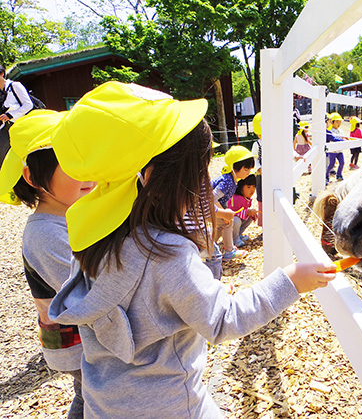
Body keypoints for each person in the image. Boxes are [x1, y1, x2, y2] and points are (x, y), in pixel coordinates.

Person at [47, 81, 336, 419]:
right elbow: (224, 320)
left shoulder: (89, 239)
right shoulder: (167, 254)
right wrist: (290, 280)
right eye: (198, 173)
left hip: (106, 405)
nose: (202, 184)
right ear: (151, 176)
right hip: (173, 407)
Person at [0, 110, 96, 419]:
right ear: (31, 176)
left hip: (90, 335)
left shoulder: (72, 215)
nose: (89, 175)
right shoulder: (43, 232)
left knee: (94, 397)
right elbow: (87, 292)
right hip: (78, 341)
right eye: (72, 165)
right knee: (93, 399)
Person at [212, 145, 255, 260]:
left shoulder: (232, 180)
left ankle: (209, 247)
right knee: (227, 223)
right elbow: (212, 197)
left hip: (211, 207)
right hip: (208, 206)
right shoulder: (228, 181)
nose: (248, 173)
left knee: (221, 226)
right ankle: (229, 251)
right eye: (246, 170)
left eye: (250, 170)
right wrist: (224, 212)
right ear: (234, 167)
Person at [0, 65, 35, 166]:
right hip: (6, 127)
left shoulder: (15, 86)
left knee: (25, 154)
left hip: (21, 125)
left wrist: (11, 115)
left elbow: (28, 104)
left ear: (2, 74)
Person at [227, 174, 258, 247]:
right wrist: (247, 212)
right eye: (248, 187)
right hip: (228, 222)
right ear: (240, 187)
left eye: (254, 187)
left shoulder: (245, 198)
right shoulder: (236, 199)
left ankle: (238, 234)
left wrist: (250, 213)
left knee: (249, 217)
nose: (252, 190)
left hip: (235, 221)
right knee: (236, 220)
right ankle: (234, 238)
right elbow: (233, 213)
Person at [325, 112, 346, 183]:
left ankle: (339, 174)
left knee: (342, 162)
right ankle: (326, 175)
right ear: (332, 122)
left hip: (340, 150)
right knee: (331, 164)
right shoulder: (330, 131)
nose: (339, 123)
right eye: (337, 122)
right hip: (333, 151)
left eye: (340, 122)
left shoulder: (341, 131)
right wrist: (343, 140)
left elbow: (342, 137)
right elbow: (333, 139)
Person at [251, 112, 263, 228]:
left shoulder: (276, 143)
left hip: (274, 173)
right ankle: (263, 223)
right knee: (261, 198)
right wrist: (259, 168)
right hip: (261, 175)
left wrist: (295, 156)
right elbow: (254, 158)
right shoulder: (257, 144)